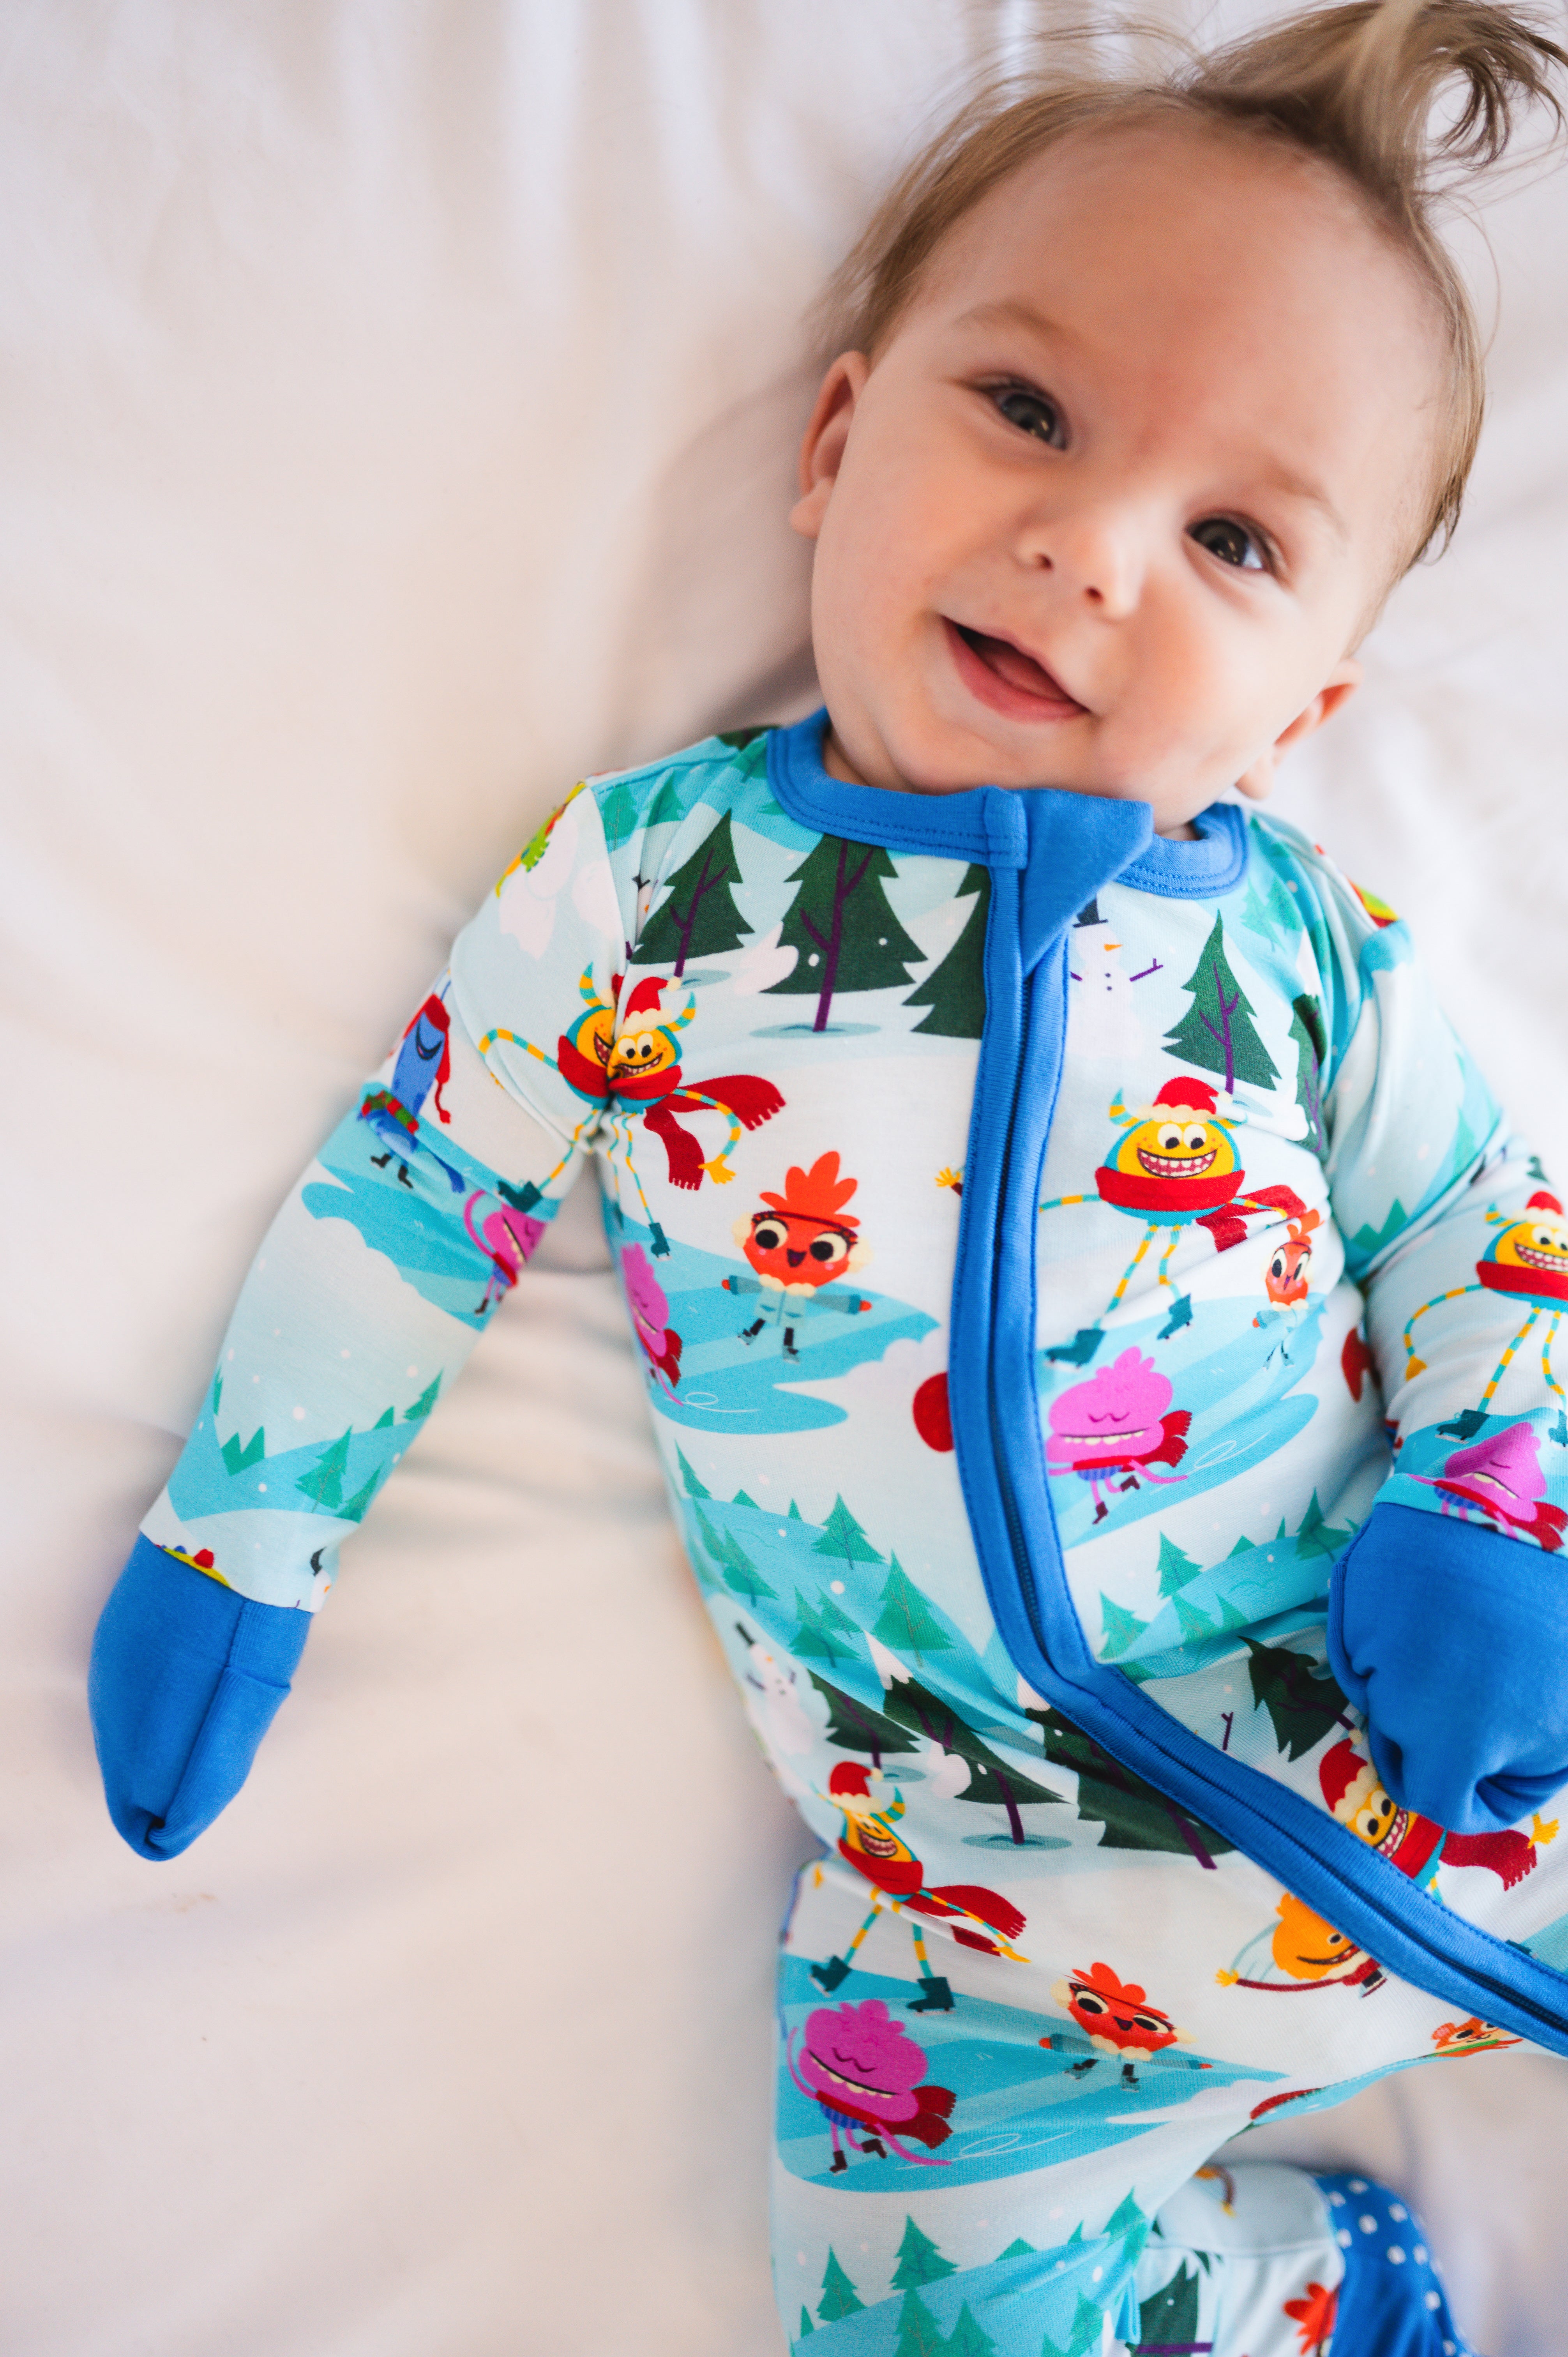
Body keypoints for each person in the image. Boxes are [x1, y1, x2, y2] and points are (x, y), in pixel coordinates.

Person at [87, 4, 1568, 2349]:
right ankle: (1323, 2304)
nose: (1087, 548)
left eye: (1230, 538)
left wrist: (1495, 1506)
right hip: (968, 1931)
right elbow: (414, 1193)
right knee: (909, 2314)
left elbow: (1486, 1237)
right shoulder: (643, 887)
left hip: (1425, 1749)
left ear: (1304, 708)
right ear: (835, 437)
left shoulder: (1298, 945)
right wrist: (240, 1534)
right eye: (1026, 412)